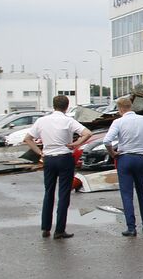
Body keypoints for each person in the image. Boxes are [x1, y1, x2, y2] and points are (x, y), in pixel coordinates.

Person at [24, 95, 92, 239]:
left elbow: (27, 139)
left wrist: (39, 152)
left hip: (48, 158)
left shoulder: (41, 121)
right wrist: (75, 144)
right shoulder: (68, 121)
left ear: (53, 105)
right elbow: (87, 133)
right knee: (63, 194)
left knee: (49, 192)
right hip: (64, 157)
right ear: (67, 107)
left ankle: (46, 227)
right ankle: (60, 230)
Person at [103, 97, 143, 237]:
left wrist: (113, 153)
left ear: (120, 109)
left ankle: (131, 228)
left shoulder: (118, 122)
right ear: (131, 106)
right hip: (141, 158)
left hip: (125, 159)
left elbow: (107, 140)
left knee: (127, 194)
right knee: (142, 192)